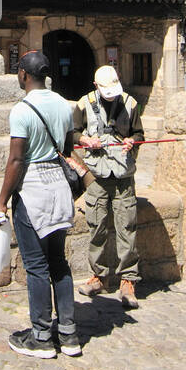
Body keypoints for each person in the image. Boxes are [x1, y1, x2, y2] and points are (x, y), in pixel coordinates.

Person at [0, 50, 79, 359]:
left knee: (36, 265)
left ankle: (41, 335)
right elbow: (68, 148)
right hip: (60, 187)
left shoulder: (21, 110)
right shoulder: (63, 104)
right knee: (59, 260)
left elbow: (16, 159)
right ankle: (68, 333)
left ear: (23, 75)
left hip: (33, 191)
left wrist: (1, 201)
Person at [73, 65, 145, 309]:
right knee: (97, 226)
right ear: (96, 87)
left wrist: (131, 141)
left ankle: (128, 280)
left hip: (123, 174)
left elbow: (139, 134)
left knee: (127, 226)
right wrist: (84, 139)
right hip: (97, 174)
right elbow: (72, 133)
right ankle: (99, 276)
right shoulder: (84, 103)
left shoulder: (131, 104)